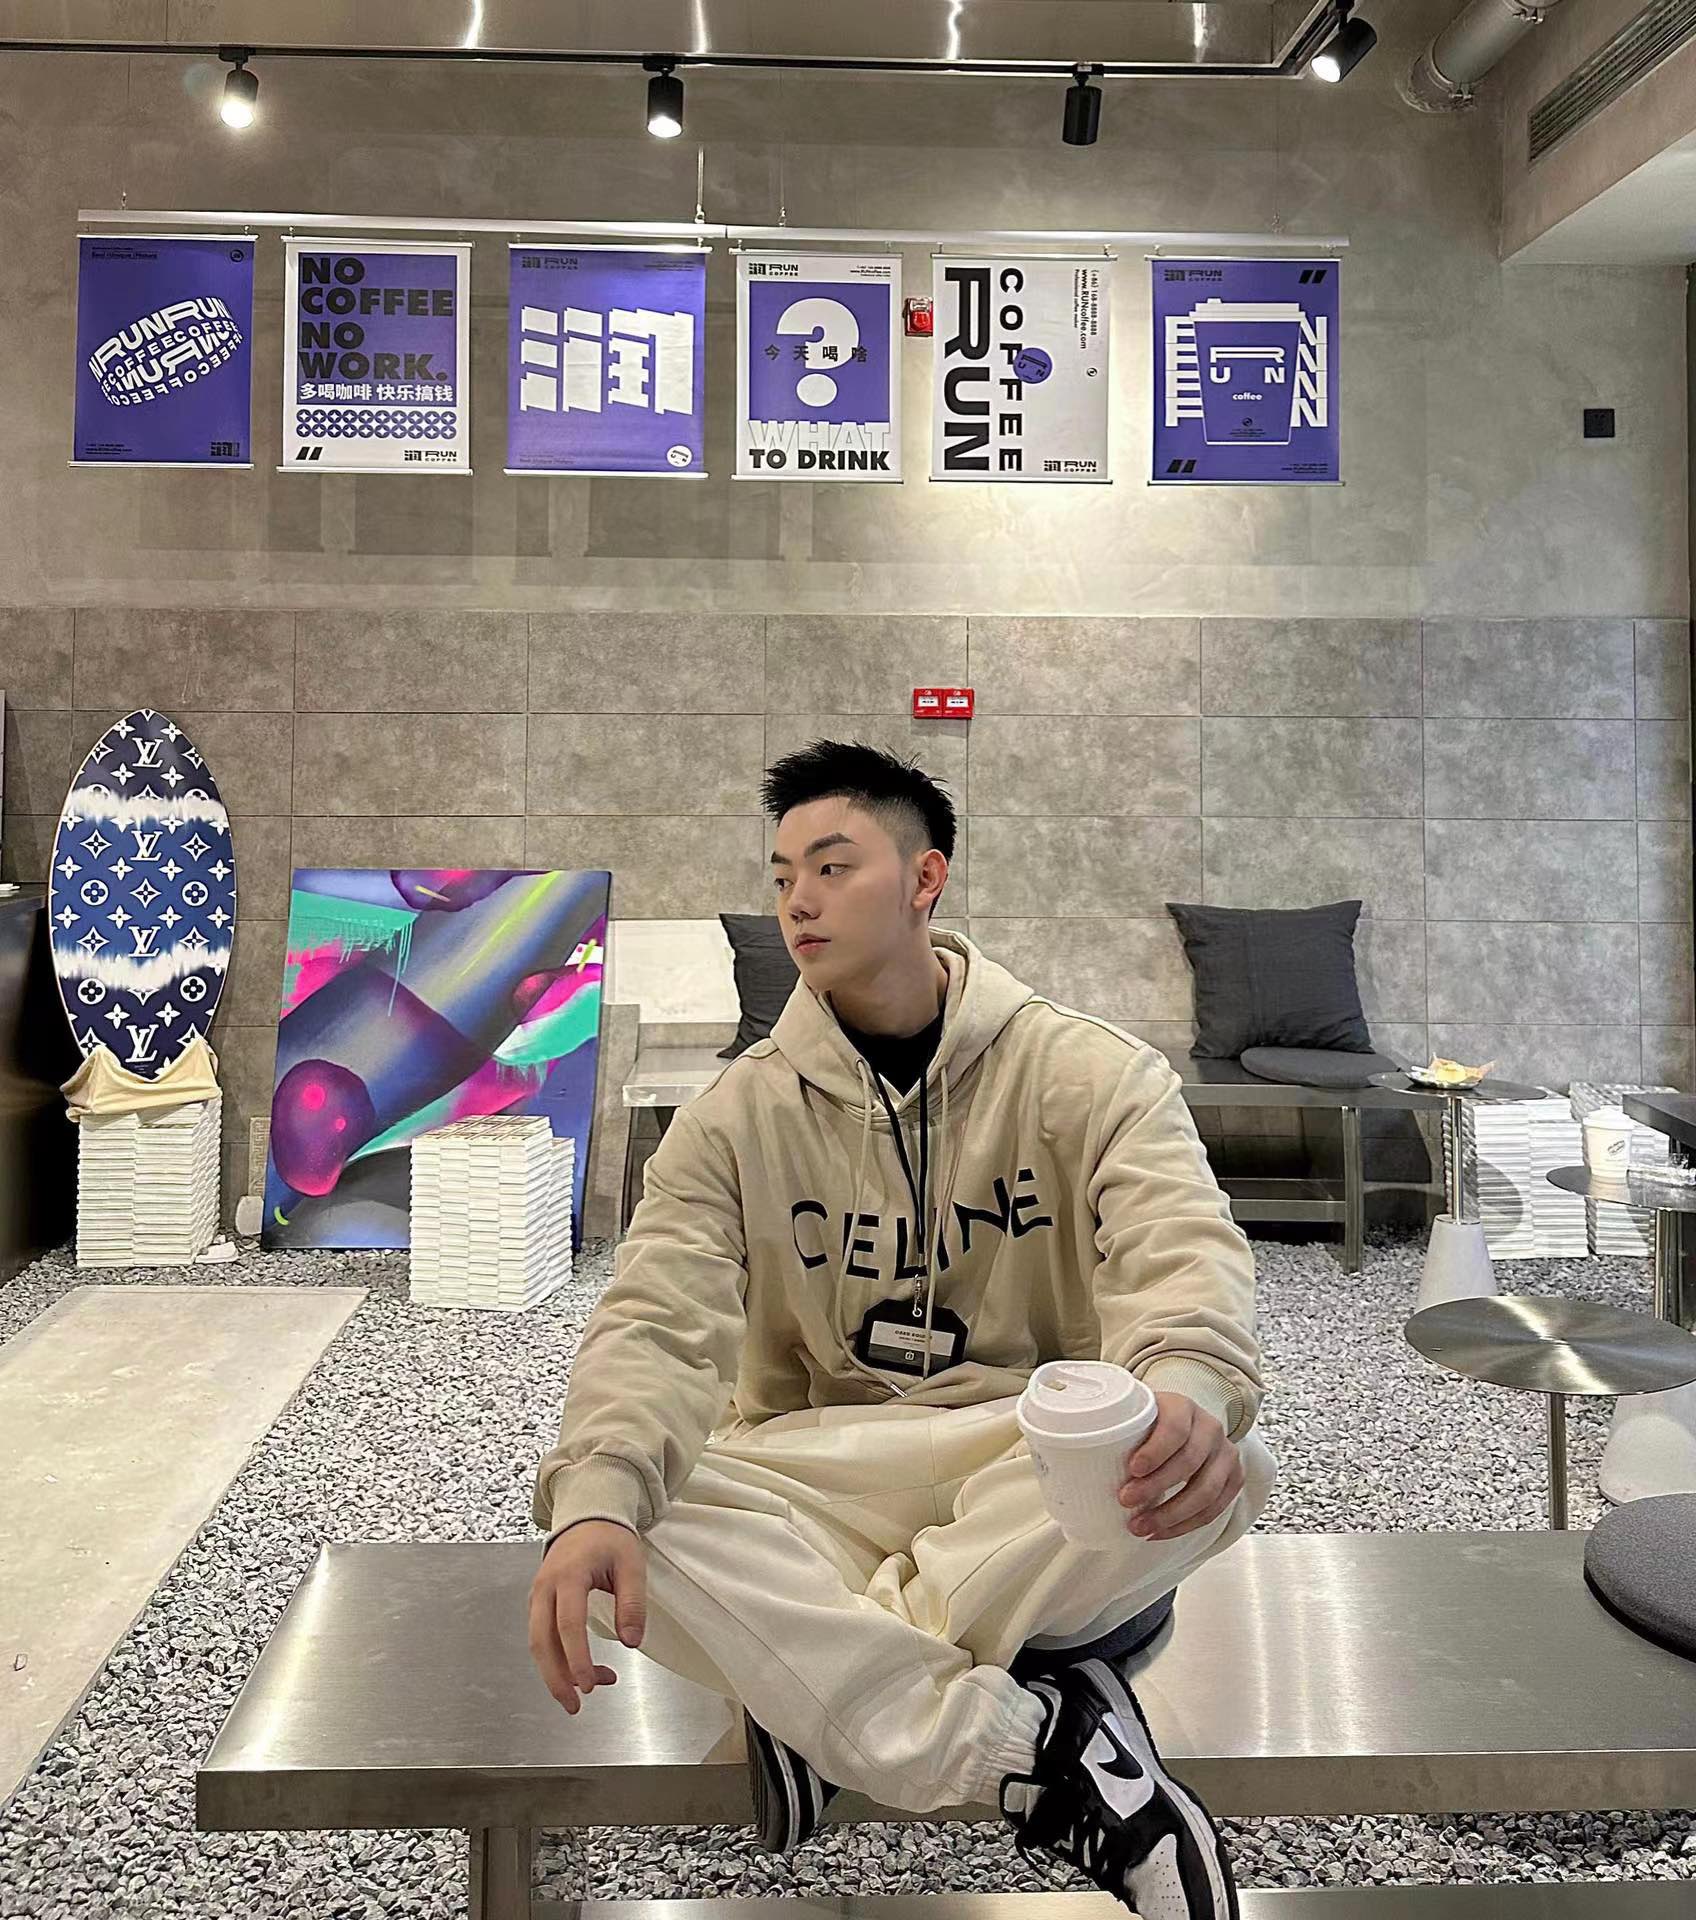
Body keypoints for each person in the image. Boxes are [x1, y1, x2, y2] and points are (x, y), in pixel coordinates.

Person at [529, 740, 1276, 1920]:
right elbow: (656, 1317)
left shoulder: (1088, 1074)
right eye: (784, 876)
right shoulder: (732, 1117)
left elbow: (1179, 1245)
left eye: (832, 868)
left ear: (925, 879)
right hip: (817, 1469)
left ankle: (822, 1699)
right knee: (619, 1511)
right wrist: (602, 1496)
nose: (799, 902)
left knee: (1222, 1462)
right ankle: (1039, 1744)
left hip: (1023, 1462)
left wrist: (1185, 1379)